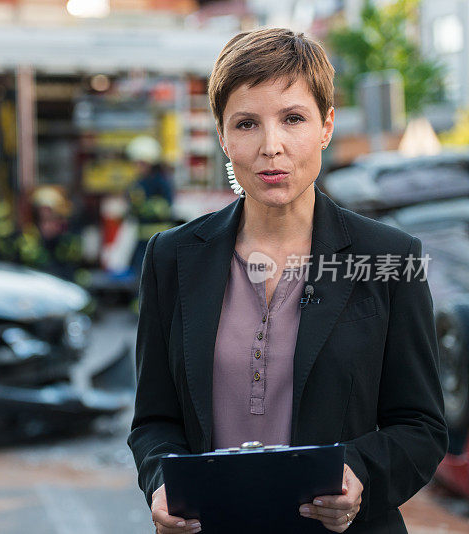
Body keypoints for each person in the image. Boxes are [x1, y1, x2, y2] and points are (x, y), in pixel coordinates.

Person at [127, 28, 447, 534]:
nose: (270, 146)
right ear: (223, 137)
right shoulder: (172, 257)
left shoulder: (390, 256)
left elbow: (422, 427)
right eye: (247, 123)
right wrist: (160, 481)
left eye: (293, 119)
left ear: (326, 126)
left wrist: (359, 474)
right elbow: (154, 421)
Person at [125, 135, 175, 276]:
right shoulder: (138, 183)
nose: (137, 167)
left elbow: (165, 207)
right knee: (139, 274)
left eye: (140, 163)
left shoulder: (160, 182)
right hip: (141, 241)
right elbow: (132, 208)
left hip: (159, 241)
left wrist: (142, 207)